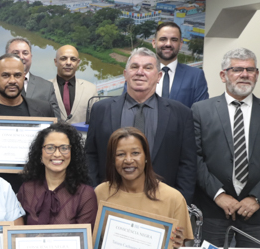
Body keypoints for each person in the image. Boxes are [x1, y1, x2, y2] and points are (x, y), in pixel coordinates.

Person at [192, 48, 260, 247]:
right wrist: (219, 195)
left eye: (250, 70)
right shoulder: (200, 110)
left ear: (257, 75)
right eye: (237, 69)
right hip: (213, 208)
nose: (245, 74)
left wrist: (256, 198)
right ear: (223, 75)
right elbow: (194, 157)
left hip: (258, 210)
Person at [85, 47, 197, 202]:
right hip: (110, 200)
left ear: (159, 76)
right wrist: (94, 194)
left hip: (161, 202)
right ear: (125, 74)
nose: (140, 72)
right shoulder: (101, 109)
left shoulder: (181, 113)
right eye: (134, 67)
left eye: (148, 68)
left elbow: (188, 164)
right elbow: (90, 156)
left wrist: (179, 202)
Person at [0, 54, 56, 131]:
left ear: (23, 77)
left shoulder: (44, 109)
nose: (12, 81)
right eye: (6, 75)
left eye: (17, 75)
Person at [152, 21, 208, 108]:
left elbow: (201, 112)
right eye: (163, 39)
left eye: (174, 40)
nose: (168, 44)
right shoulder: (140, 74)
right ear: (154, 43)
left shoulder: (195, 76)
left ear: (180, 44)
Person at [49, 45, 97, 124]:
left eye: (73, 59)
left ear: (78, 63)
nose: (68, 63)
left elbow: (96, 120)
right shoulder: (44, 88)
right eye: (63, 59)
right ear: (56, 62)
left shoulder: (91, 89)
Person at [6, 37, 55, 105]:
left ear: (31, 57)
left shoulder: (47, 87)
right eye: (15, 53)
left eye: (25, 53)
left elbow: (54, 112)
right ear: (6, 57)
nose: (21, 57)